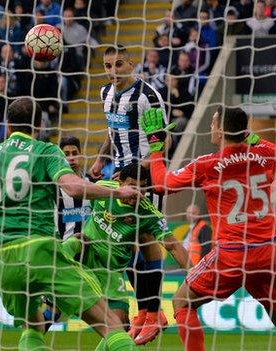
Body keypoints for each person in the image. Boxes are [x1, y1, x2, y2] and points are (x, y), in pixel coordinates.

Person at [0, 97, 142, 351]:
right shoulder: (46, 151)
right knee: (112, 326)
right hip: (42, 253)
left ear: (8, 126)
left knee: (33, 329)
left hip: (2, 259)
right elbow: (73, 187)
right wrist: (118, 193)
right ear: (39, 127)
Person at [140, 106, 276, 351]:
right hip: (267, 252)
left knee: (181, 302)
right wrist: (255, 140)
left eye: (212, 123)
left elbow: (162, 185)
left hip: (232, 253)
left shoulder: (207, 164)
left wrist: (156, 148)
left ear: (220, 130)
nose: (210, 127)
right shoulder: (263, 154)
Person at [88, 45, 170, 342]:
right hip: (119, 180)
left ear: (130, 64)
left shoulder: (148, 97)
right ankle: (147, 311)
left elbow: (161, 142)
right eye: (108, 65)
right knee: (124, 244)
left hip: (145, 179)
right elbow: (112, 133)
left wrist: (141, 176)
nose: (113, 71)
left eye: (118, 64)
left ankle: (153, 312)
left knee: (147, 240)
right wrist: (101, 159)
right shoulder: (105, 94)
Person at [60, 163, 189, 336]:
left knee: (117, 328)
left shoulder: (148, 214)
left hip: (112, 272)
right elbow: (76, 190)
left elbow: (173, 246)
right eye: (132, 187)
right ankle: (52, 288)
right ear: (120, 183)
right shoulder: (103, 188)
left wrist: (194, 274)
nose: (137, 194)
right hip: (86, 254)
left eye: (142, 189)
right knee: (74, 241)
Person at [56, 136, 90, 239]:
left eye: (75, 153)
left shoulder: (92, 183)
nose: (71, 158)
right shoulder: (54, 187)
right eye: (66, 155)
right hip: (63, 247)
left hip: (89, 247)